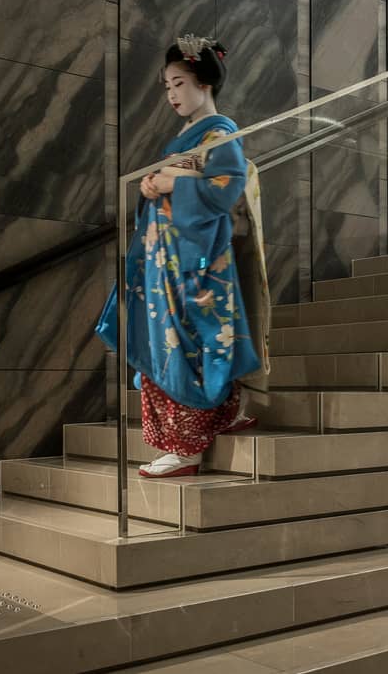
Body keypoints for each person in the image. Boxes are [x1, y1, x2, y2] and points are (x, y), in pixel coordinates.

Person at [95, 34, 266, 478]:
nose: (171, 95)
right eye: (167, 87)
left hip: (195, 260)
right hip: (171, 258)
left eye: (179, 84)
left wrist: (173, 183)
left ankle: (185, 447)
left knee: (185, 342)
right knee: (177, 338)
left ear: (204, 84)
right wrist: (156, 185)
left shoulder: (220, 134)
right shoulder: (192, 137)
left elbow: (226, 190)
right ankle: (219, 418)